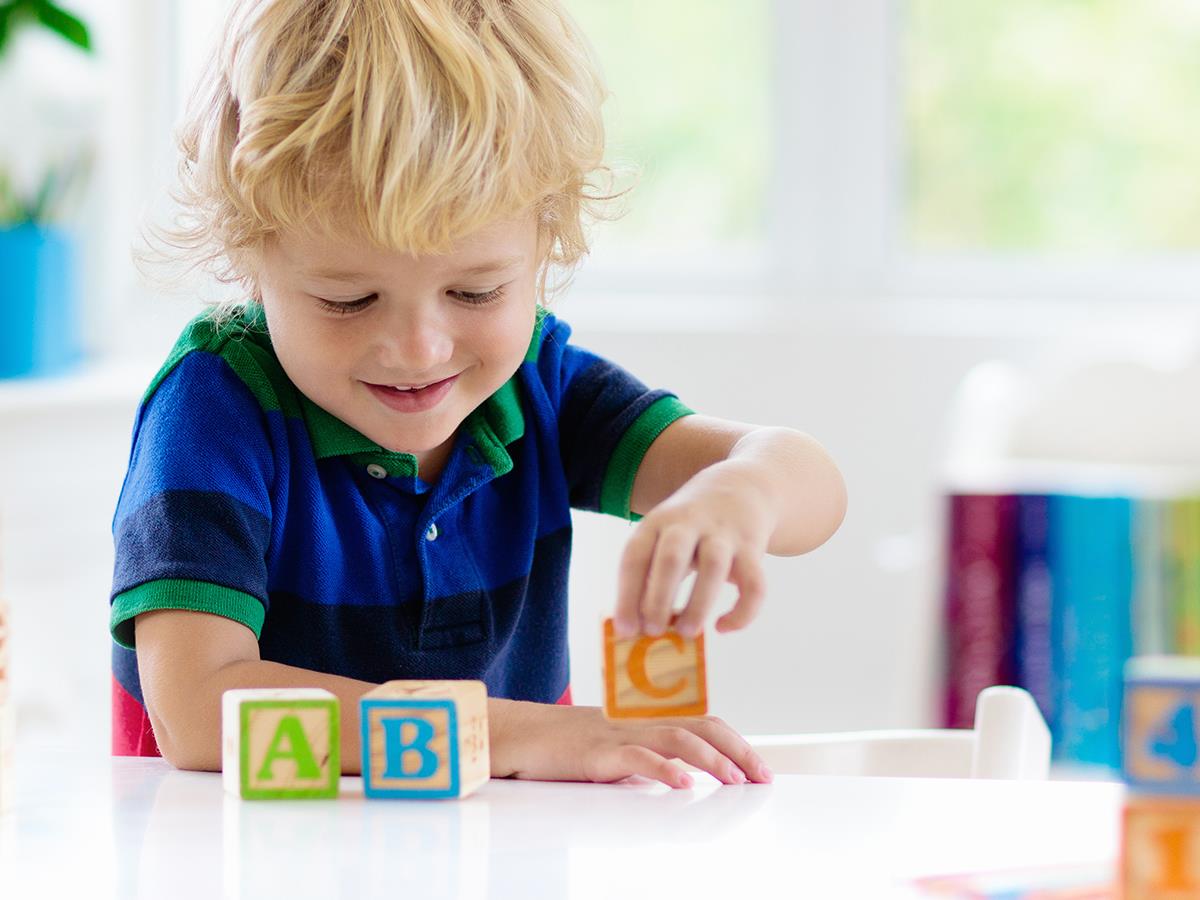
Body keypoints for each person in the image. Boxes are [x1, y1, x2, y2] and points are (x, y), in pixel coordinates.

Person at [110, 0, 847, 789]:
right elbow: (198, 713)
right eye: (348, 300)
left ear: (546, 242)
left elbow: (813, 490)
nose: (419, 348)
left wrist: (744, 491)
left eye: (476, 292)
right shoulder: (216, 411)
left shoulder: (537, 385)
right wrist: (515, 733)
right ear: (248, 261)